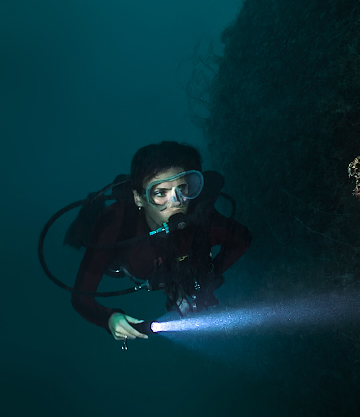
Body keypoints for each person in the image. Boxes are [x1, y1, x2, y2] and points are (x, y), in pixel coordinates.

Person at [72, 141, 251, 341]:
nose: (176, 202)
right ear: (139, 198)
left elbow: (242, 239)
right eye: (160, 193)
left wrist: (208, 277)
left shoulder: (202, 220)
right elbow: (81, 297)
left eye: (182, 189)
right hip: (122, 261)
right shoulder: (116, 223)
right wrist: (108, 318)